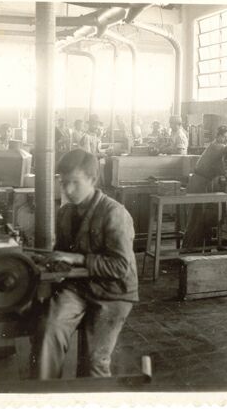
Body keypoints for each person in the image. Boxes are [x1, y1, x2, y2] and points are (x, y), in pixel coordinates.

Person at [34, 149, 137, 379]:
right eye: (64, 183)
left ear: (92, 179)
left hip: (113, 292)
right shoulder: (65, 214)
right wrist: (49, 262)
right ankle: (44, 394)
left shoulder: (114, 213)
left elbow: (120, 267)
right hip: (78, 287)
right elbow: (62, 254)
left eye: (75, 182)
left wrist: (79, 259)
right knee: (48, 331)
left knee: (94, 362)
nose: (68, 190)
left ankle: (93, 396)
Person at [181, 125, 227, 249]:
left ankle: (200, 248)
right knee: (196, 217)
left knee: (201, 217)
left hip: (203, 183)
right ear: (218, 136)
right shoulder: (217, 146)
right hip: (199, 184)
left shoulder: (217, 147)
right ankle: (190, 250)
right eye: (224, 137)